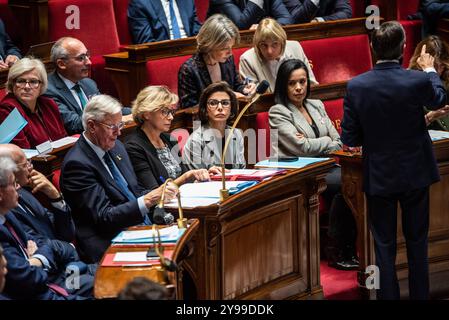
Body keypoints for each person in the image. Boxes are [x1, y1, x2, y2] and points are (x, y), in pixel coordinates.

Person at [341, 21, 447, 299]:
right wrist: (429, 69)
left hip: (380, 175)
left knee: (384, 246)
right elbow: (438, 99)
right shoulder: (418, 79)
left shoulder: (356, 86)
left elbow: (350, 139)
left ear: (372, 48)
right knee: (417, 243)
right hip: (416, 173)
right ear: (403, 48)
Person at [61, 95, 177, 263]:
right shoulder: (77, 165)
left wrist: (161, 194)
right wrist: (149, 199)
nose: (119, 132)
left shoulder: (117, 147)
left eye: (120, 124)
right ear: (92, 126)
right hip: (110, 241)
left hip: (138, 228)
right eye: (112, 126)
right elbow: (104, 217)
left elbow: (134, 191)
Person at [269, 59, 358, 270]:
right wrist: (325, 142)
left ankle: (342, 248)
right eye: (292, 83)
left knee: (352, 182)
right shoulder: (278, 112)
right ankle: (339, 250)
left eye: (302, 81)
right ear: (283, 85)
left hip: (327, 167)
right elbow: (302, 148)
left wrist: (320, 143)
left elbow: (338, 140)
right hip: (301, 171)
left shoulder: (316, 105)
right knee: (347, 183)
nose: (299, 88)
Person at [0, 156, 89, 300]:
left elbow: (59, 238)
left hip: (68, 267)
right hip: (55, 284)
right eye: (24, 164)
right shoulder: (9, 211)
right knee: (116, 284)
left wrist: (54, 196)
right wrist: (40, 261)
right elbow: (30, 278)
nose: (31, 167)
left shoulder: (21, 199)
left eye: (29, 161)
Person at [125, 86, 218, 190]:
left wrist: (205, 173)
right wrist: (187, 177)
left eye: (171, 112)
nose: (171, 117)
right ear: (147, 114)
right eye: (165, 112)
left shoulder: (168, 139)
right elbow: (152, 191)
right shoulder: (134, 146)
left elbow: (185, 174)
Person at [45, 37, 132, 135]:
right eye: (81, 58)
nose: (89, 62)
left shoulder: (88, 83)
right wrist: (119, 120)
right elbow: (74, 124)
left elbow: (107, 109)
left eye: (87, 55)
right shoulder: (49, 90)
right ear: (61, 64)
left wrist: (138, 111)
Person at [178, 14, 256, 109]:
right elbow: (189, 109)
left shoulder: (228, 60)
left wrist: (245, 89)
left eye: (231, 47)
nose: (230, 53)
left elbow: (236, 86)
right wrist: (227, 99)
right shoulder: (189, 70)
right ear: (210, 45)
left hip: (230, 119)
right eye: (225, 48)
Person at [0, 57, 67, 149]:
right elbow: (21, 152)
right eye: (21, 81)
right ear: (12, 84)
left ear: (41, 85)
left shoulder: (49, 104)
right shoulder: (7, 110)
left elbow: (64, 138)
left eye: (33, 81)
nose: (27, 87)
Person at [239, 17, 317, 93]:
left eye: (274, 44)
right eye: (264, 45)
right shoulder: (247, 59)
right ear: (257, 45)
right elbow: (254, 97)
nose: (269, 51)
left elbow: (312, 84)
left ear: (282, 42)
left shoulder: (295, 47)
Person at [183, 82, 246, 170]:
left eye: (225, 103)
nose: (220, 107)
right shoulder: (195, 141)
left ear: (231, 108)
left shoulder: (237, 134)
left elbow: (242, 170)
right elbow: (196, 179)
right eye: (213, 103)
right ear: (205, 109)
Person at [409, 35, 449, 130]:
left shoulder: (446, 81)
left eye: (442, 65)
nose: (438, 71)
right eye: (433, 66)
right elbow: (405, 129)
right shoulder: (408, 83)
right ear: (420, 63)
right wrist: (430, 117)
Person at [128, 0, 202, 44]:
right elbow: (146, 43)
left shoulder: (186, 1)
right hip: (162, 55)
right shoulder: (141, 3)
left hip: (191, 52)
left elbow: (197, 31)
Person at [207, 0, 293, 30]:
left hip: (263, 44)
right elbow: (241, 25)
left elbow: (287, 20)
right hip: (228, 48)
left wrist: (265, 27)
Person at [283, 0, 352, 23]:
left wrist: (319, 20)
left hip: (328, 33)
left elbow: (345, 12)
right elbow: (297, 19)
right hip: (300, 37)